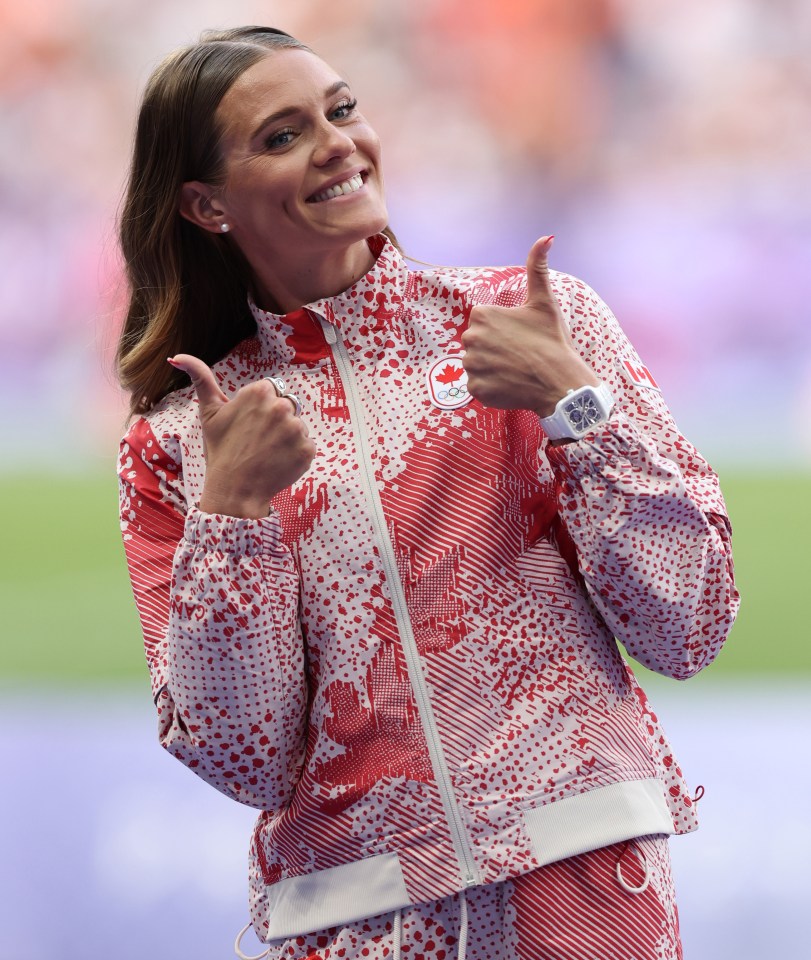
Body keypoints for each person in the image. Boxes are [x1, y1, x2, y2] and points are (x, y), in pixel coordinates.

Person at [116, 25, 739, 960]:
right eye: (282, 136)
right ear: (206, 204)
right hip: (348, 908)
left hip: (581, 871)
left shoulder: (535, 321)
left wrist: (575, 410)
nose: (335, 143)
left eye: (341, 110)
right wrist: (232, 517)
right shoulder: (180, 442)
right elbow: (245, 754)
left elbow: (688, 622)